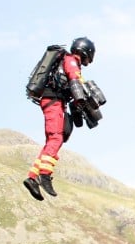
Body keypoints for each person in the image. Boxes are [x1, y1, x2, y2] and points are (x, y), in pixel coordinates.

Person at [23, 36, 96, 200]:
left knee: (51, 141)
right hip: (53, 102)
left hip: (53, 101)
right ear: (85, 52)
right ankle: (45, 175)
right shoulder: (71, 61)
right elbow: (74, 80)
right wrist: (82, 100)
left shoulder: (65, 60)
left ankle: (32, 177)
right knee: (56, 138)